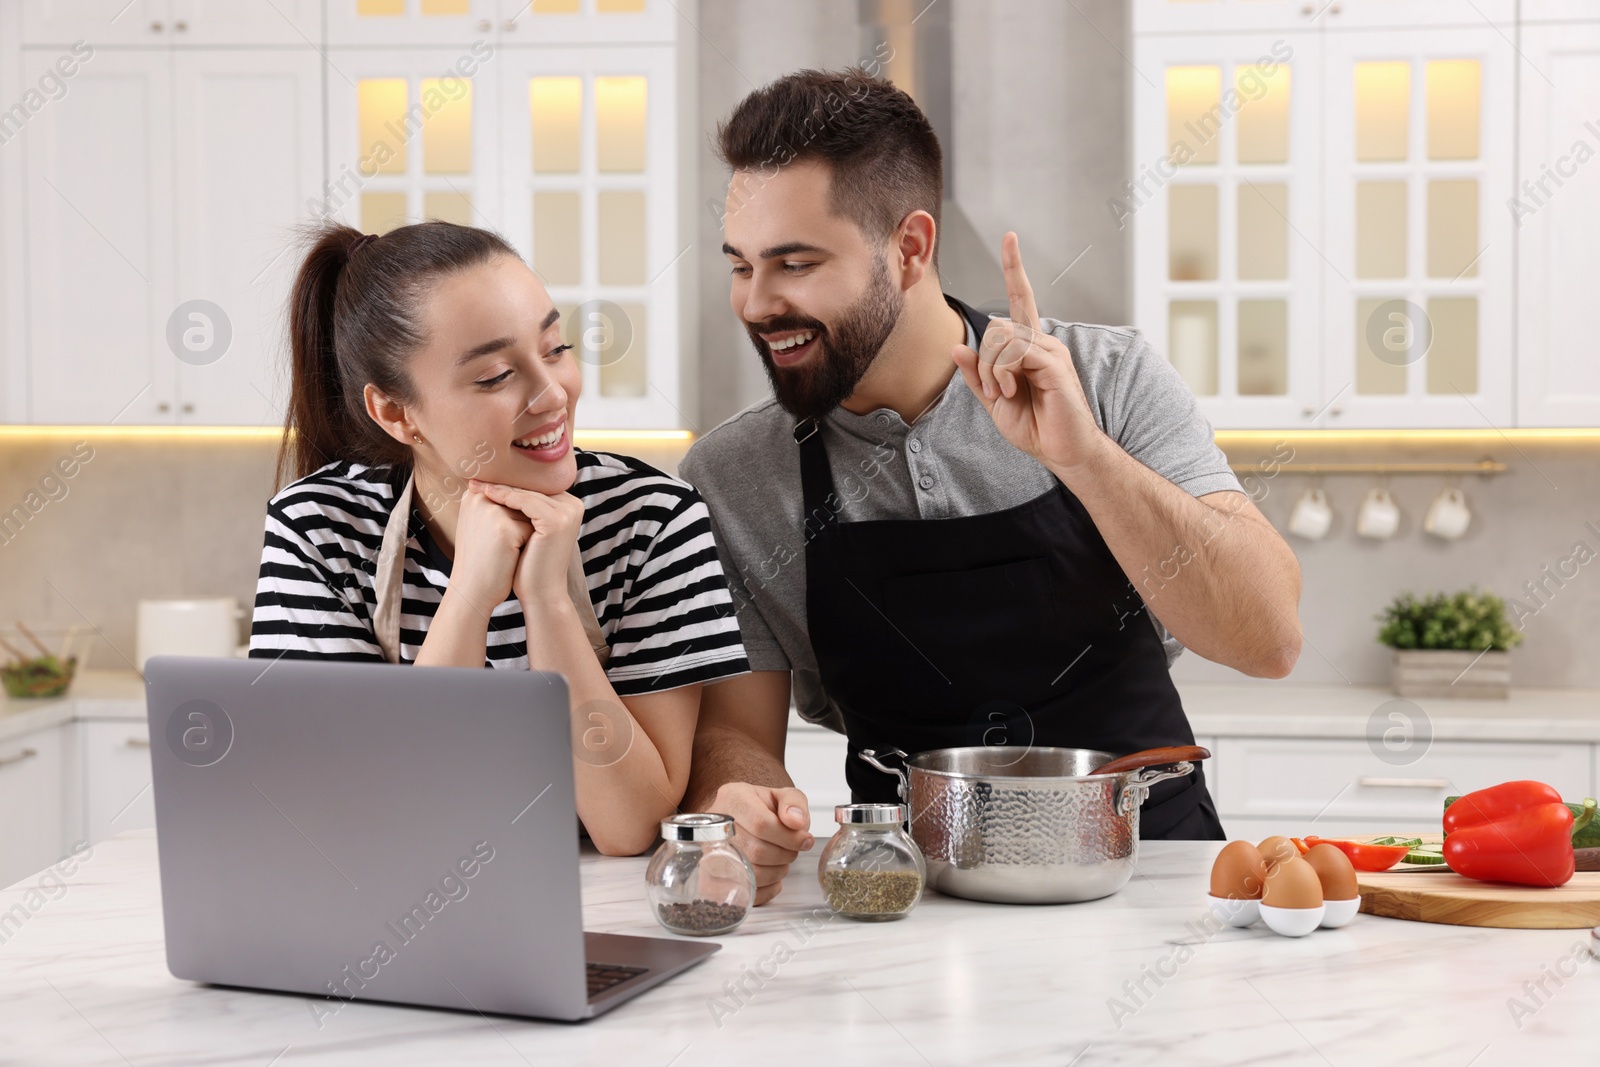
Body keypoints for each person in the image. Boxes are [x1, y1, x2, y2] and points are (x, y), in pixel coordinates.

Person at [679, 69, 1304, 903]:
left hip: (1152, 878)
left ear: (909, 248)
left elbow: (1269, 638)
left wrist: (1086, 460)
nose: (756, 303)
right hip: (903, 893)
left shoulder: (1106, 380)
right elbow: (734, 732)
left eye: (794, 263)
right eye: (741, 266)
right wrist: (740, 798)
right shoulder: (732, 475)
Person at [248, 220, 750, 856]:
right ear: (396, 413)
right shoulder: (318, 530)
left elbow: (631, 826)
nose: (551, 394)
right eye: (493, 376)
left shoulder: (655, 522)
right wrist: (470, 596)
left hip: (601, 914)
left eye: (555, 349)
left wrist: (547, 602)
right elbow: (376, 815)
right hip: (395, 911)